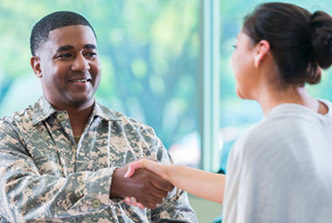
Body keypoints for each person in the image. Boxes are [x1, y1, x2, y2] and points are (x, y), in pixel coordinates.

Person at [124, 2, 332, 223]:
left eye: (236, 47)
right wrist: (167, 172)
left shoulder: (260, 143)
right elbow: (242, 186)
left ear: (260, 52)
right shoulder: (323, 118)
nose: (233, 60)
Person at [0, 11, 198, 222]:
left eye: (90, 54)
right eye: (65, 55)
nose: (82, 65)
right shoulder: (11, 133)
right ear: (37, 66)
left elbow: (178, 215)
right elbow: (21, 203)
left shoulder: (140, 138)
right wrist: (112, 184)